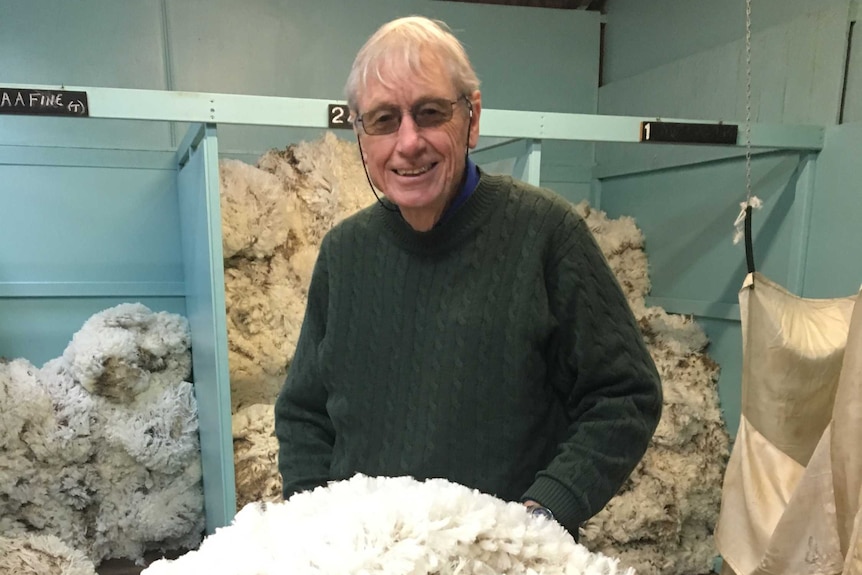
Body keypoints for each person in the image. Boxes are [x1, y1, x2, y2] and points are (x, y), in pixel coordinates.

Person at [275, 15, 662, 538]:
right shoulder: (345, 254)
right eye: (385, 120)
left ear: (472, 119)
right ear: (361, 137)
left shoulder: (546, 234)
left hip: (499, 558)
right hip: (368, 558)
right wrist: (314, 524)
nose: (408, 143)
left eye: (430, 113)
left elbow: (625, 394)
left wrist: (542, 514)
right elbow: (304, 413)